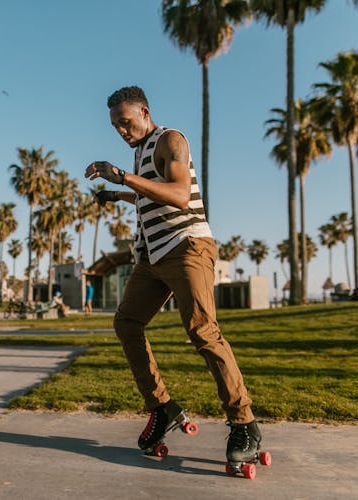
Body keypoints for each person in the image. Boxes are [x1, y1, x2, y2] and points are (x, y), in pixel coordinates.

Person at [84, 86, 262, 467]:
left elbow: (180, 194)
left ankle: (244, 422)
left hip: (187, 247)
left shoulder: (171, 139)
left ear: (145, 112)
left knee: (202, 330)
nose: (120, 130)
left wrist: (124, 179)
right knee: (127, 322)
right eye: (115, 125)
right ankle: (161, 407)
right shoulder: (140, 151)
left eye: (125, 122)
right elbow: (153, 194)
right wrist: (117, 197)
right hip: (153, 258)